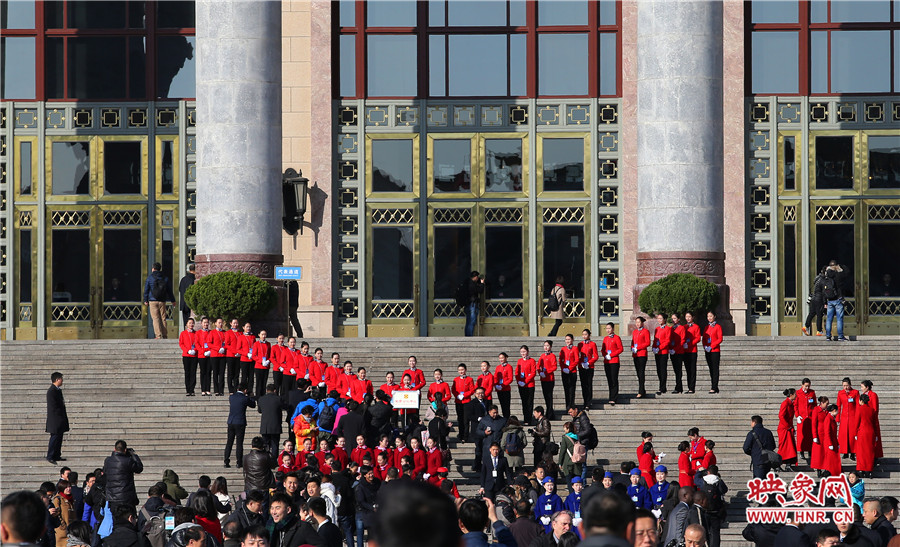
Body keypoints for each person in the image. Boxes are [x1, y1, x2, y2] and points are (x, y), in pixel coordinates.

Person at [103, 440, 143, 508]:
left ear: (115, 449)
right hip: (126, 497)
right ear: (125, 450)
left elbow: (105, 472)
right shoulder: (128, 461)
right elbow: (139, 468)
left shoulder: (108, 460)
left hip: (112, 498)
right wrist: (134, 455)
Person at [226, 383, 256, 468]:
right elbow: (253, 405)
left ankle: (226, 460)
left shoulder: (231, 397)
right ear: (245, 390)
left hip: (231, 421)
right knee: (239, 443)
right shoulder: (245, 398)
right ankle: (239, 462)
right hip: (240, 422)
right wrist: (251, 396)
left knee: (229, 442)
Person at [144, 262, 174, 339]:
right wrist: (172, 300)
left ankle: (158, 335)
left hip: (152, 301)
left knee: (155, 318)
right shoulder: (165, 278)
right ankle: (165, 335)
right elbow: (169, 290)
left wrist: (145, 300)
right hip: (162, 301)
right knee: (163, 318)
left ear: (153, 269)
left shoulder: (150, 278)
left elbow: (146, 290)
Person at [258, 383, 288, 459]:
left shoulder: (261, 399)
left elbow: (260, 410)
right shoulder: (278, 399)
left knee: (265, 445)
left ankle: (265, 459)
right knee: (275, 445)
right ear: (275, 390)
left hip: (265, 426)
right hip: (275, 425)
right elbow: (285, 406)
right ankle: (274, 460)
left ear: (266, 390)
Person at [46, 372, 69, 465]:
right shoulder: (52, 391)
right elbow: (53, 407)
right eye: (61, 379)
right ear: (57, 379)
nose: (62, 381)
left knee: (59, 437)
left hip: (59, 418)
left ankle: (56, 455)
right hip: (55, 419)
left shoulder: (57, 390)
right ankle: (50, 456)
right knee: (54, 437)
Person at [823, 261, 849, 341]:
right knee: (839, 319)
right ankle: (840, 336)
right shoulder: (838, 275)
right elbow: (846, 272)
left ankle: (828, 336)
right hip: (838, 298)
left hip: (829, 300)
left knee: (829, 319)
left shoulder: (826, 276)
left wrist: (825, 301)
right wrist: (840, 267)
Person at [858, 380, 883, 461]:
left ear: (867, 387)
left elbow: (875, 408)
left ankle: (875, 456)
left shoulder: (873, 395)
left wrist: (871, 417)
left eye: (862, 387)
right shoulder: (863, 395)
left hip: (871, 419)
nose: (861, 389)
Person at [600, 322, 623, 405]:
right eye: (607, 328)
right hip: (607, 361)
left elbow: (620, 349)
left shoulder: (617, 338)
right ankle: (611, 396)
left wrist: (612, 355)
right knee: (609, 379)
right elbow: (602, 349)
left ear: (613, 329)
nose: (608, 330)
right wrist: (605, 355)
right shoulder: (605, 338)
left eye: (609, 328)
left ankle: (614, 397)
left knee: (614, 379)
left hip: (614, 361)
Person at [451, 364, 475, 441]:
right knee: (460, 419)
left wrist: (464, 395)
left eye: (462, 370)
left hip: (466, 401)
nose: (461, 371)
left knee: (466, 420)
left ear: (465, 370)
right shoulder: (456, 379)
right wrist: (457, 395)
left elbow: (472, 390)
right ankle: (461, 435)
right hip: (458, 401)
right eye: (459, 370)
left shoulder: (469, 379)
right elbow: (453, 389)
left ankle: (466, 436)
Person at [854, 394, 877, 477]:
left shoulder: (859, 409)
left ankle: (861, 469)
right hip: (871, 432)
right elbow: (875, 423)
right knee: (869, 452)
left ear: (861, 401)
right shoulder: (872, 410)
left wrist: (855, 433)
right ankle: (869, 469)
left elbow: (856, 422)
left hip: (862, 432)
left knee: (861, 452)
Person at [837, 377, 859, 460]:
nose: (845, 387)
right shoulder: (840, 393)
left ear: (850, 385)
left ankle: (853, 452)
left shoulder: (855, 392)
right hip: (844, 417)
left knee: (852, 436)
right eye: (844, 386)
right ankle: (845, 452)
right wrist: (837, 418)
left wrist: (858, 417)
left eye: (847, 385)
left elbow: (858, 405)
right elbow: (839, 406)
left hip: (853, 416)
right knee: (844, 435)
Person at [795, 378, 817, 460]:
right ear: (802, 385)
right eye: (805, 386)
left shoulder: (812, 392)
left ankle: (810, 452)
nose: (807, 388)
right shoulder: (798, 393)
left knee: (810, 435)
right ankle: (801, 452)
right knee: (802, 436)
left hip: (810, 417)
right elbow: (795, 405)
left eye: (808, 386)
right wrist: (797, 415)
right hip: (802, 418)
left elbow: (814, 404)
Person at [577, 329, 599, 409]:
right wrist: (581, 363)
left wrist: (589, 363)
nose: (584, 336)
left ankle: (589, 402)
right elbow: (577, 355)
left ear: (589, 335)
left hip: (589, 366)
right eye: (583, 334)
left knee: (589, 384)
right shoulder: (580, 344)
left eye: (586, 334)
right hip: (582, 366)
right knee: (583, 385)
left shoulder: (593, 344)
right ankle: (585, 401)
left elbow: (596, 356)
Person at [802, 267, 827, 336]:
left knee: (812, 313)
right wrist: (825, 302)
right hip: (819, 299)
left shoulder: (817, 278)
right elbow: (824, 292)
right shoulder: (823, 280)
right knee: (819, 315)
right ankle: (819, 331)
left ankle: (806, 326)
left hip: (813, 298)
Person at [702, 311, 722, 394]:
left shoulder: (718, 327)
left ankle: (714, 387)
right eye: (708, 316)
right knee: (711, 369)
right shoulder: (707, 327)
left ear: (714, 316)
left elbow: (720, 339)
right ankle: (715, 386)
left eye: (711, 316)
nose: (709, 318)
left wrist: (712, 346)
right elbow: (704, 338)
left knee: (715, 368)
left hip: (715, 350)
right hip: (708, 350)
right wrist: (705, 346)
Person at [778, 388, 799, 467]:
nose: (796, 395)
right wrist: (787, 426)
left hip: (788, 427)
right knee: (785, 447)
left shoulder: (790, 403)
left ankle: (788, 463)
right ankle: (779, 463)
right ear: (791, 395)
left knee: (790, 448)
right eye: (795, 394)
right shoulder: (785, 403)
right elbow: (781, 416)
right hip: (784, 428)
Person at [558, 334, 580, 410]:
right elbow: (560, 360)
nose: (567, 341)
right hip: (564, 371)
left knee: (572, 389)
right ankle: (567, 405)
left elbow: (576, 360)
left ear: (572, 340)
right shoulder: (563, 349)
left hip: (572, 371)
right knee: (566, 389)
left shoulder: (575, 348)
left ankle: (571, 405)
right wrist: (563, 368)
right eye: (566, 339)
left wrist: (570, 368)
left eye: (569, 339)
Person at [630, 317, 651, 398]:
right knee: (638, 372)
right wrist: (632, 347)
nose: (637, 324)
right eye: (636, 322)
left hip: (642, 354)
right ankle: (643, 390)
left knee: (641, 372)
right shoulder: (635, 332)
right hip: (635, 354)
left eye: (639, 322)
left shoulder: (645, 331)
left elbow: (648, 342)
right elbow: (633, 341)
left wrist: (638, 347)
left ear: (642, 323)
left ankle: (641, 391)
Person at [515, 346, 537, 421]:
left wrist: (526, 381)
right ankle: (525, 418)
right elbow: (517, 372)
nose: (523, 353)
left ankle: (529, 418)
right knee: (524, 402)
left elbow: (533, 373)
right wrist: (519, 381)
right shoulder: (519, 361)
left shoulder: (532, 361)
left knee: (529, 402)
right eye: (521, 352)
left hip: (529, 385)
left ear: (527, 351)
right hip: (521, 385)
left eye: (524, 351)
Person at [179, 318, 200, 396]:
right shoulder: (183, 333)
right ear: (186, 324)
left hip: (194, 355)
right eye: (190, 323)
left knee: (193, 372)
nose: (191, 325)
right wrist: (187, 350)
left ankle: (192, 389)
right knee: (187, 372)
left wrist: (195, 350)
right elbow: (181, 344)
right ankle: (188, 389)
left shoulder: (196, 333)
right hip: (186, 355)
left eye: (192, 323)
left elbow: (198, 343)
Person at [537, 341, 557, 419]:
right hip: (543, 379)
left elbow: (554, 367)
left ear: (550, 347)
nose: (546, 347)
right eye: (544, 345)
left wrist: (546, 372)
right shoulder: (542, 356)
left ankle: (550, 413)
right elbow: (538, 366)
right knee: (546, 396)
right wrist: (540, 372)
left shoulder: (552, 356)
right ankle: (549, 411)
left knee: (549, 396)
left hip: (550, 379)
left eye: (547, 345)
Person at [652, 313, 671, 395]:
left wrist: (660, 347)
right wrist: (654, 347)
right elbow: (655, 340)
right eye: (658, 318)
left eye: (661, 318)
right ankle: (661, 386)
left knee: (663, 369)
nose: (659, 320)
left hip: (663, 351)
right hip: (657, 351)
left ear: (665, 319)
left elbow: (667, 340)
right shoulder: (657, 329)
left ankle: (662, 387)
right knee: (658, 369)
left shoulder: (667, 329)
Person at [683, 312, 702, 393]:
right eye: (686, 317)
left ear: (692, 317)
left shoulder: (696, 327)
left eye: (689, 317)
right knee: (687, 369)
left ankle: (692, 387)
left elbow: (698, 338)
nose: (688, 318)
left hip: (692, 350)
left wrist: (690, 344)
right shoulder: (684, 327)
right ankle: (689, 387)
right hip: (685, 350)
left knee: (692, 369)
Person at [669, 313, 686, 393]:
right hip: (672, 351)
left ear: (678, 319)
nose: (673, 320)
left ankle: (678, 387)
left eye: (675, 318)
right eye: (672, 318)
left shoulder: (681, 328)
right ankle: (679, 387)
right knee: (675, 369)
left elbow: (682, 340)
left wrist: (675, 349)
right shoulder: (671, 328)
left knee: (678, 369)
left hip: (679, 351)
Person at [465, 271, 485, 337]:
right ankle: (469, 337)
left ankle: (467, 336)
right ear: (475, 277)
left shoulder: (467, 283)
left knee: (468, 322)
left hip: (468, 304)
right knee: (471, 321)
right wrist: (482, 283)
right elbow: (480, 290)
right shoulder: (472, 284)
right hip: (472, 304)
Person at [494, 353, 514, 418]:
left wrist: (502, 385)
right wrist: (496, 385)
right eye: (500, 358)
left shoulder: (509, 367)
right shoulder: (498, 367)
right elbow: (495, 377)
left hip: (506, 389)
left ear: (506, 358)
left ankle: (507, 418)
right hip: (499, 389)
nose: (501, 359)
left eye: (502, 358)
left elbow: (510, 379)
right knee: (502, 404)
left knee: (506, 406)